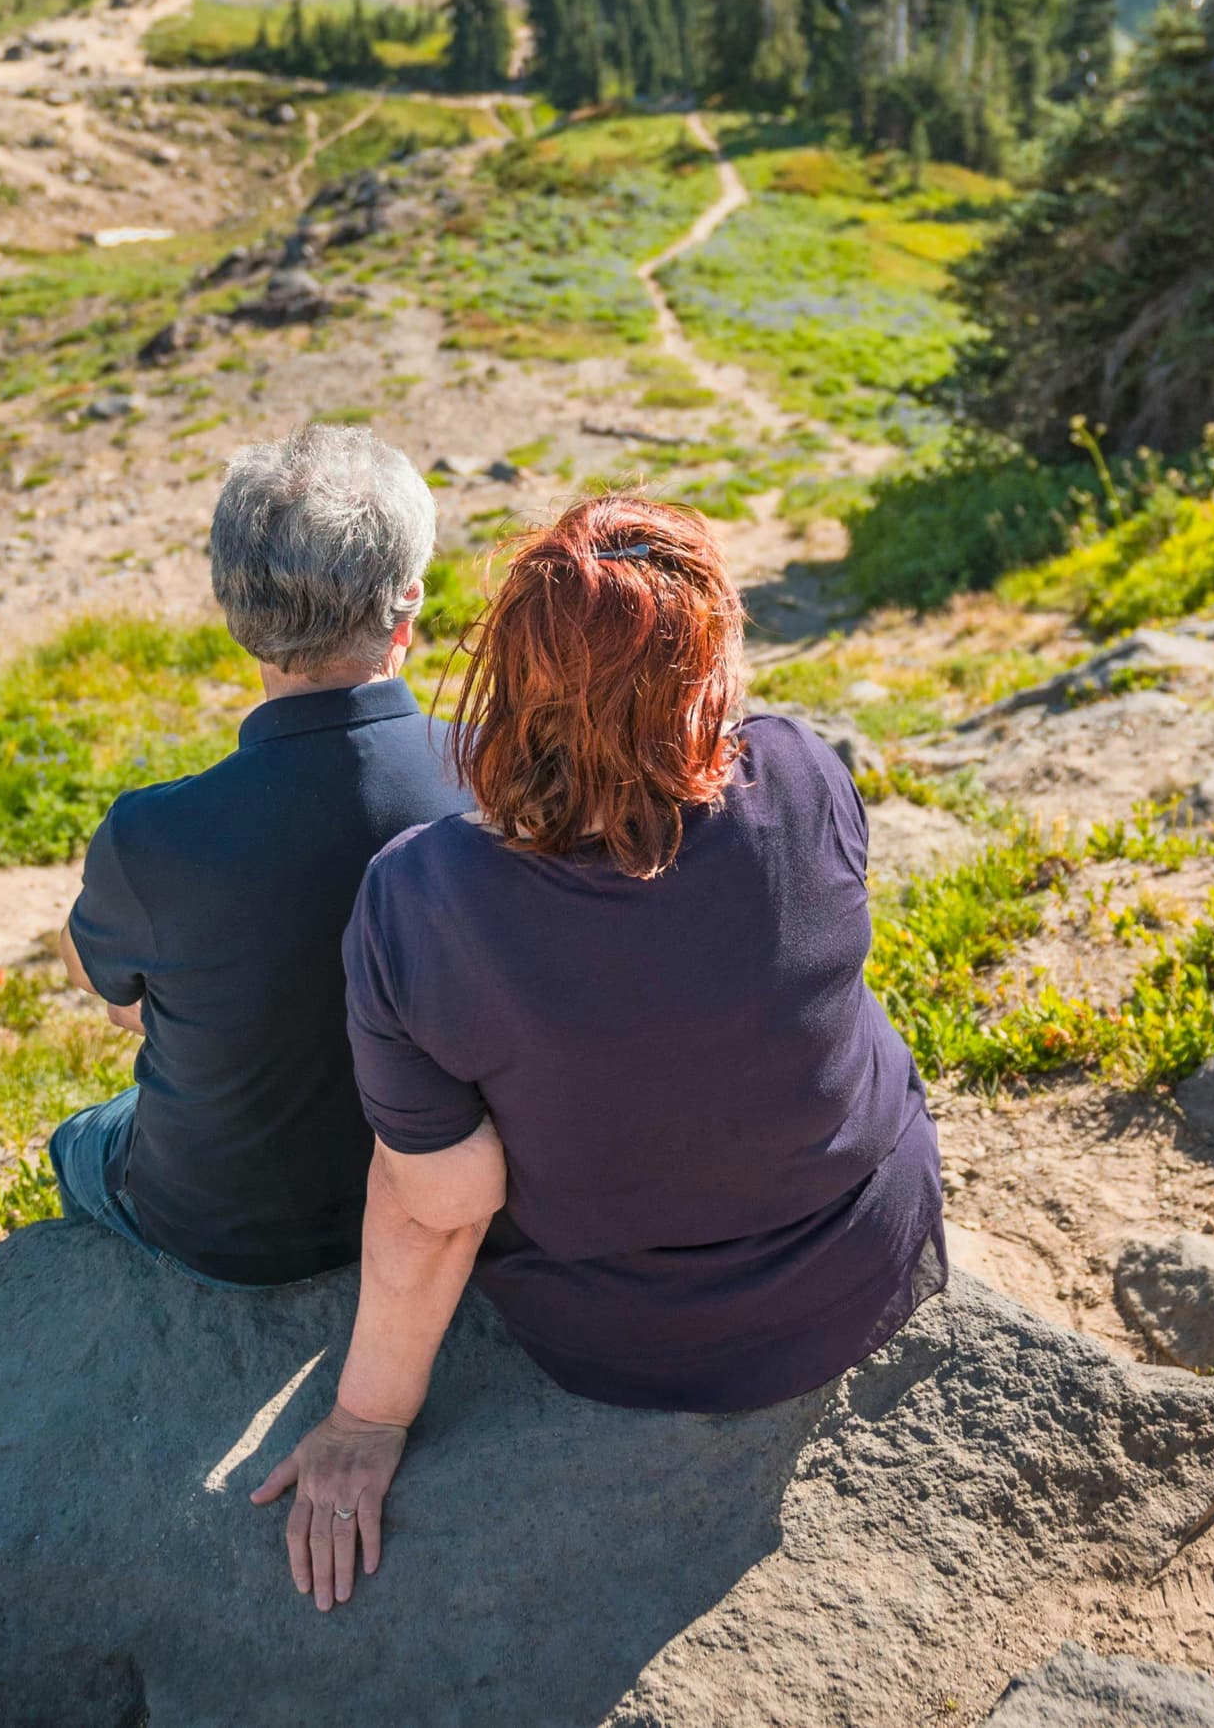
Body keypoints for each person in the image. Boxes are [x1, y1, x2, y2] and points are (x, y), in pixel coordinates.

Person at [253, 494, 945, 1610]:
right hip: (865, 1257)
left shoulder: (424, 896)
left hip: (631, 1340)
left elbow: (440, 1203)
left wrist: (365, 1420)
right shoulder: (803, 771)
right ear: (708, 662)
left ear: (512, 680)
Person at [49, 426, 472, 1289]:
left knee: (77, 1138)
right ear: (409, 604)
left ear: (236, 611)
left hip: (236, 1239)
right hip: (450, 1192)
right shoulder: (497, 774)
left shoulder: (152, 835)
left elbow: (95, 979)